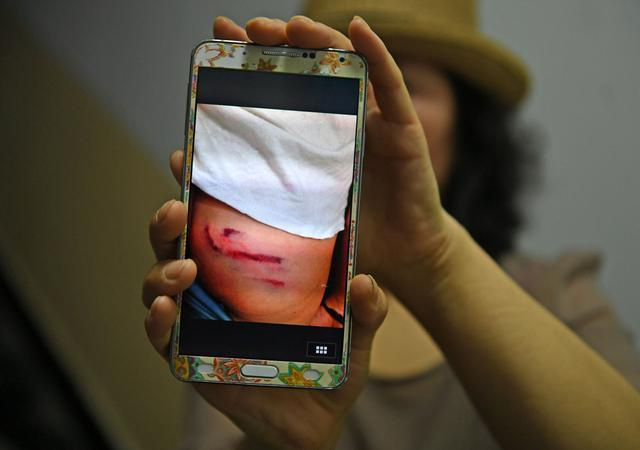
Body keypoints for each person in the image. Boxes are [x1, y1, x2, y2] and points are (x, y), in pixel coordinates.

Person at [141, 0, 640, 448]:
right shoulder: (244, 309)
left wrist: (434, 260)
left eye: (406, 84)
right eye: (349, 79)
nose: (371, 108)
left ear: (467, 123)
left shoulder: (558, 294)